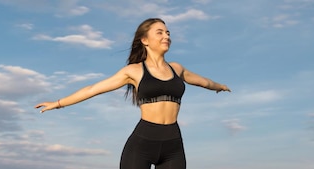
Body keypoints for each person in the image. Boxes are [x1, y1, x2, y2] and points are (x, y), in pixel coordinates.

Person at [35, 18, 231, 169]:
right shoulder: (133, 71)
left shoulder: (177, 68)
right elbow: (92, 89)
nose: (166, 36)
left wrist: (219, 86)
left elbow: (204, 82)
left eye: (168, 33)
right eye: (160, 32)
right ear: (145, 40)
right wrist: (58, 103)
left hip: (173, 145)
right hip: (142, 145)